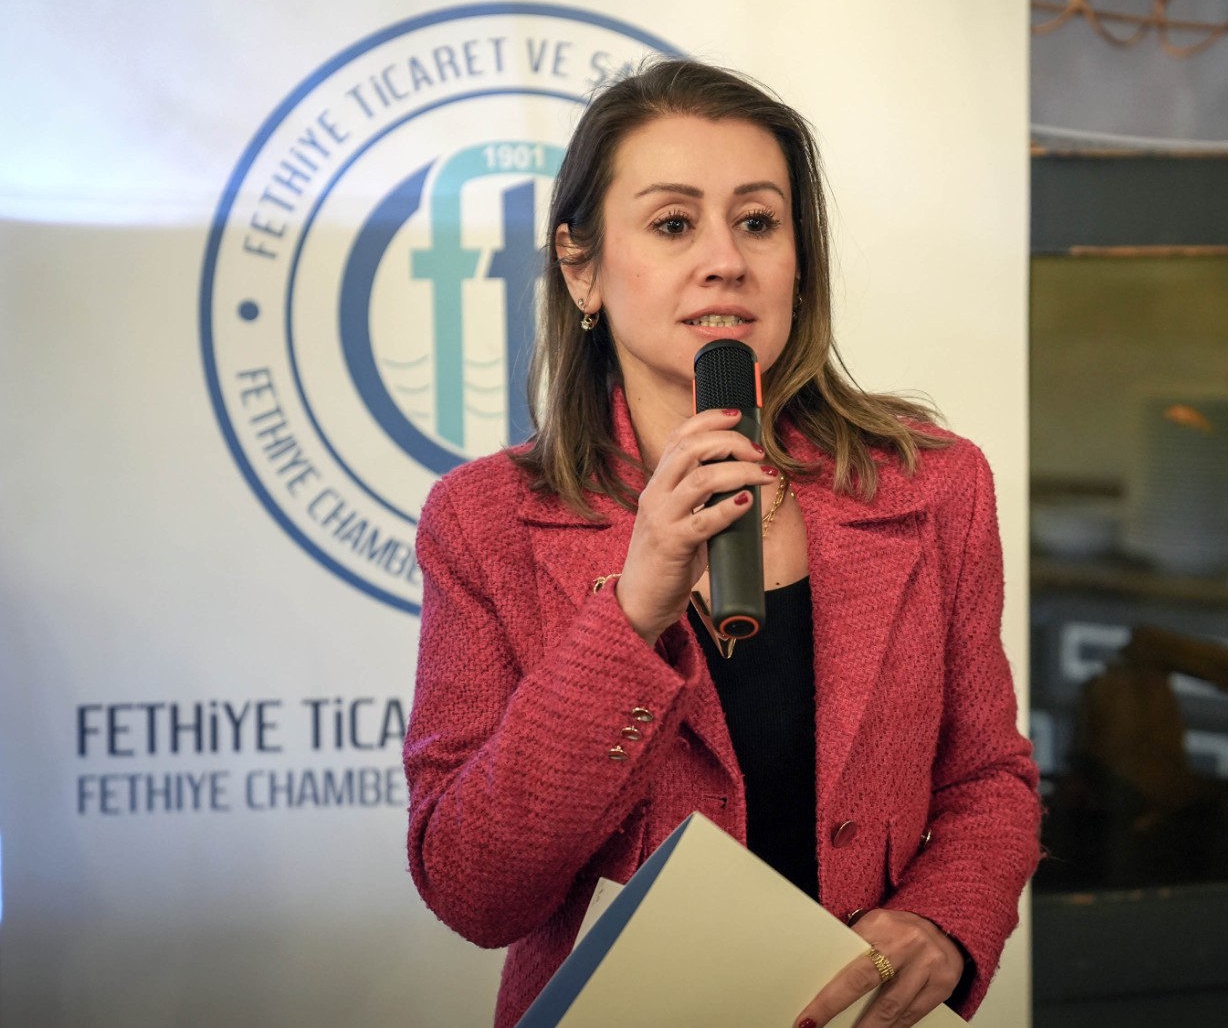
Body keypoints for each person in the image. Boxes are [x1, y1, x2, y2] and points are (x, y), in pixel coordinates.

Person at [403, 58, 1040, 1028]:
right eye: (672, 224)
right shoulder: (483, 521)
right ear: (581, 267)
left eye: (757, 221)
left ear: (798, 259)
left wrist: (943, 919)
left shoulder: (932, 484)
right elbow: (474, 890)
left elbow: (987, 777)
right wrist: (631, 613)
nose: (725, 261)